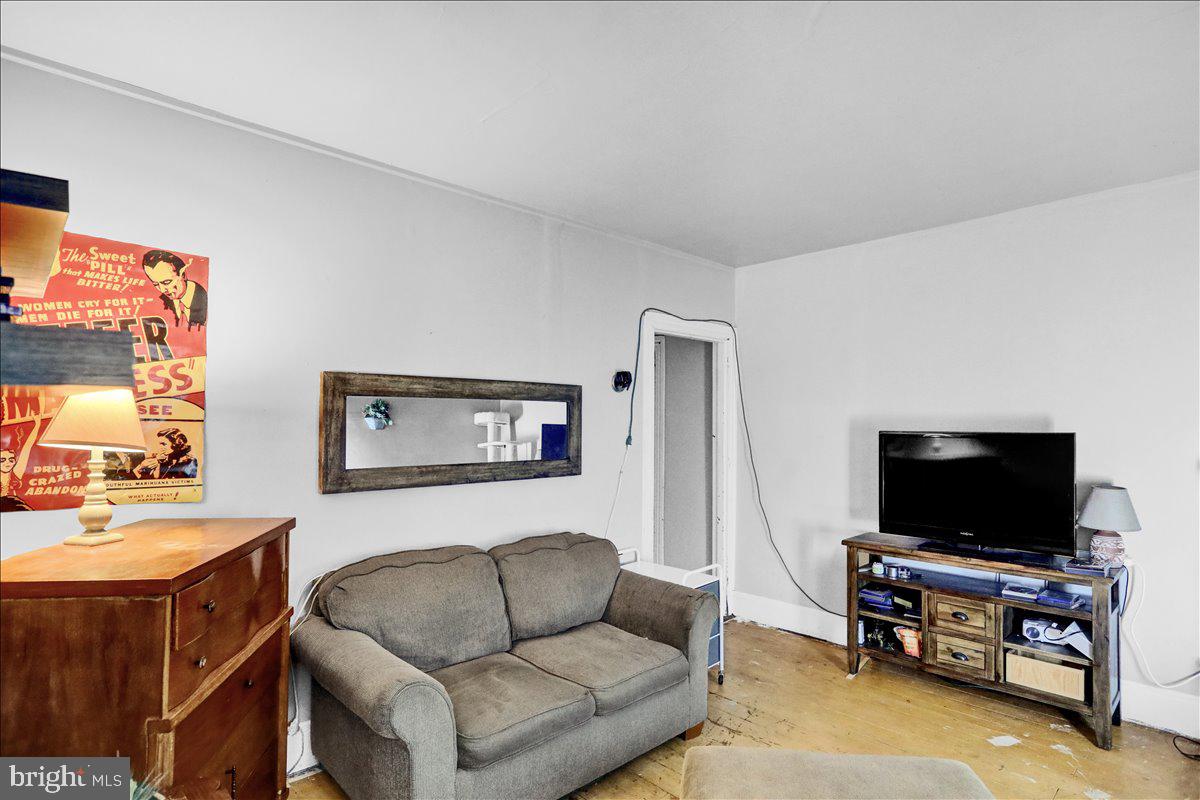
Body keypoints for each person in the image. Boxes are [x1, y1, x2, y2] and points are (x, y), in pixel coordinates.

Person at [142, 249, 207, 330]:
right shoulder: (161, 302)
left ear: (183, 275)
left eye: (166, 282)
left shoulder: (205, 300)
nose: (162, 290)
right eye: (156, 284)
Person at [0, 427, 36, 512]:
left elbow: (27, 448)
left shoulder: (16, 474)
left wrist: (36, 426)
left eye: (11, 460)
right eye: (2, 460)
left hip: (12, 508)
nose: (7, 463)